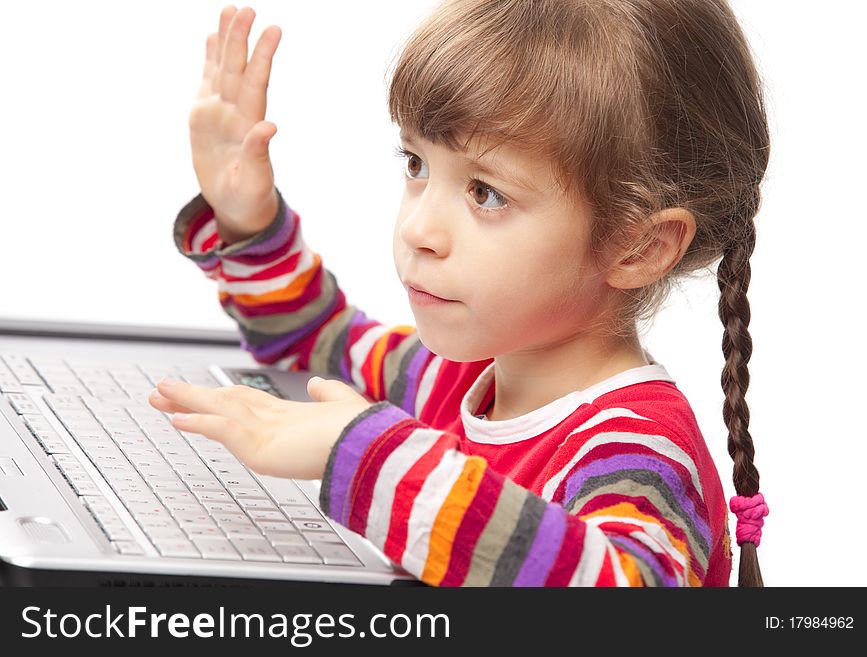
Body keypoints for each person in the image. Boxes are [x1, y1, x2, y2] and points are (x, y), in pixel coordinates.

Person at [150, 0, 771, 587]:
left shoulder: (636, 446)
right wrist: (248, 224)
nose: (418, 229)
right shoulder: (450, 376)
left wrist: (368, 456)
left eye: (485, 193)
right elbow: (319, 341)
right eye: (417, 166)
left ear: (636, 246)